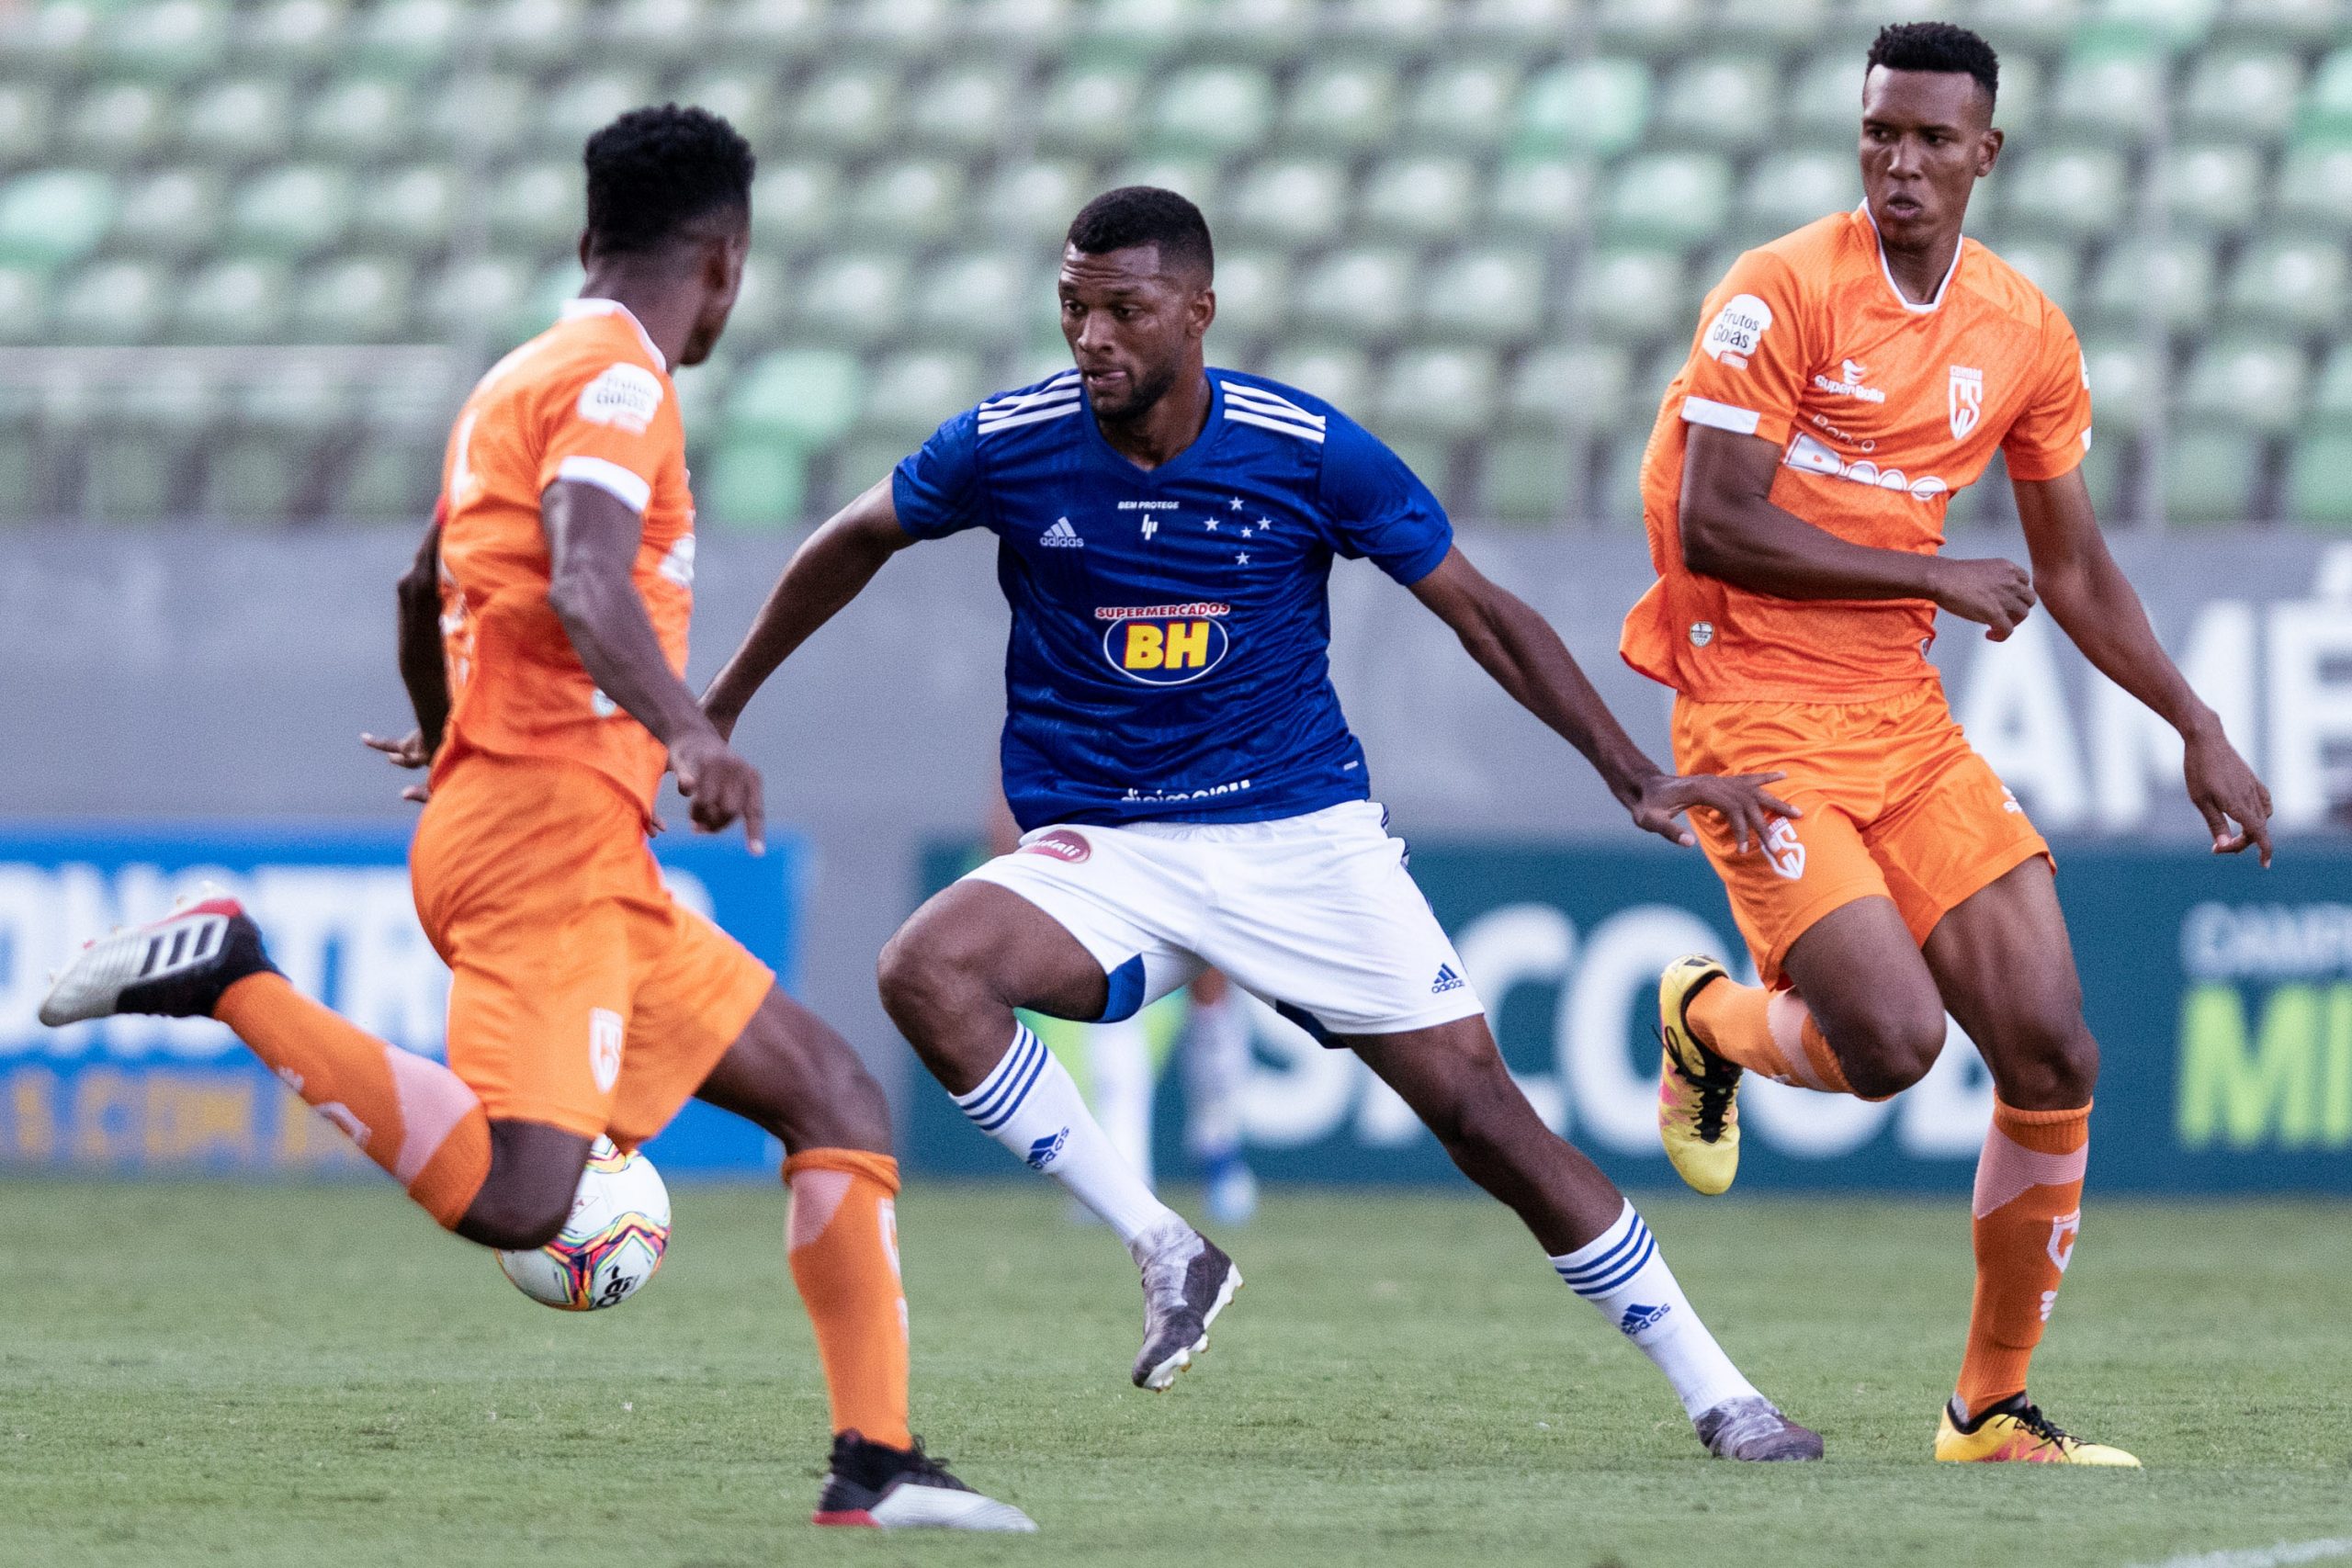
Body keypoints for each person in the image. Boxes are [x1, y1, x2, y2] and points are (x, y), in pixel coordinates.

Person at [702, 186, 1823, 1461]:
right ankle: (1163, 1243)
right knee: (926, 969)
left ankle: (1723, 1394)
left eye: (1124, 309)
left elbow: (1481, 609)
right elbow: (851, 541)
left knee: (1487, 1123)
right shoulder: (1005, 444)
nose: (1092, 338)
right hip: (1109, 849)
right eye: (1073, 308)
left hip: (1300, 837)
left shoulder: (1305, 449)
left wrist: (1628, 771)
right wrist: (717, 709)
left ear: (1199, 311)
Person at [40, 106, 1031, 1531]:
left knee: (833, 1094)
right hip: (550, 840)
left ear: (588, 240)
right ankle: (231, 974)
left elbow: (416, 595)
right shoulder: (621, 384)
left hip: (553, 828)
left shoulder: (520, 373)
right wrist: (692, 731)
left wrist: (455, 741)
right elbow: (581, 577)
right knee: (524, 1198)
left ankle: (876, 1467)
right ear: (728, 262)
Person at [1624, 24, 2274, 1467]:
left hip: (1899, 719)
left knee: (2051, 1045)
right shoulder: (1777, 292)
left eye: (1930, 139)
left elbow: (2080, 569)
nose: (1899, 162)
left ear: (1988, 153)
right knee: (1895, 1043)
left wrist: (2197, 723)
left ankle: (1987, 1408)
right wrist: (1932, 577)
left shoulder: (2023, 330)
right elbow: (1715, 522)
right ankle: (1711, 1020)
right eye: (1879, 134)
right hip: (1755, 714)